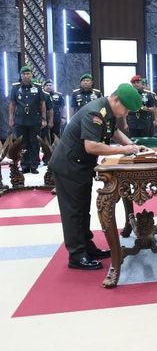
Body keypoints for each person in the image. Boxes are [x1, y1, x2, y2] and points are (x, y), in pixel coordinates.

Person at [48, 83, 146, 270]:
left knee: (83, 210)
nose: (126, 114)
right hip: (69, 167)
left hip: (81, 166)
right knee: (73, 212)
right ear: (116, 99)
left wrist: (133, 145)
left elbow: (114, 132)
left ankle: (88, 248)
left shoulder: (108, 111)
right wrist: (123, 150)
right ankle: (76, 256)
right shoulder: (95, 112)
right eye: (125, 109)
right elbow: (91, 146)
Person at [8, 65, 47, 174]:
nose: (26, 76)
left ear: (31, 75)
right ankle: (25, 166)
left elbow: (42, 104)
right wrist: (11, 118)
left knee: (34, 143)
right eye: (24, 74)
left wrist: (44, 118)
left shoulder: (38, 87)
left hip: (34, 120)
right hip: (20, 120)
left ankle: (34, 166)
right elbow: (12, 104)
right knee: (23, 143)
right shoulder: (15, 88)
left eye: (28, 74)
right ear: (21, 75)